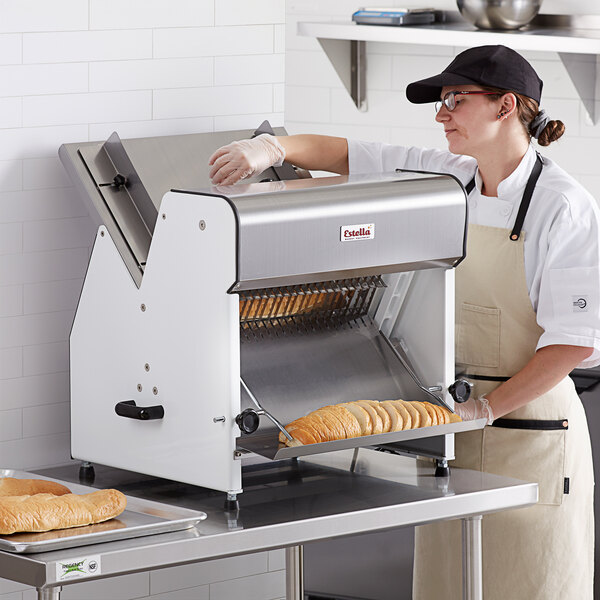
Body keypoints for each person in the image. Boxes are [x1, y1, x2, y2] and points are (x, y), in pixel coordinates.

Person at [208, 45, 599, 599]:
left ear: (506, 105)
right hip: (450, 431)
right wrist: (270, 148)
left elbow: (572, 346)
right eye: (440, 103)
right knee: (448, 584)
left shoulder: (564, 207)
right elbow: (350, 154)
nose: (441, 116)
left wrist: (485, 409)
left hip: (527, 434)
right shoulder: (451, 178)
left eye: (455, 101)